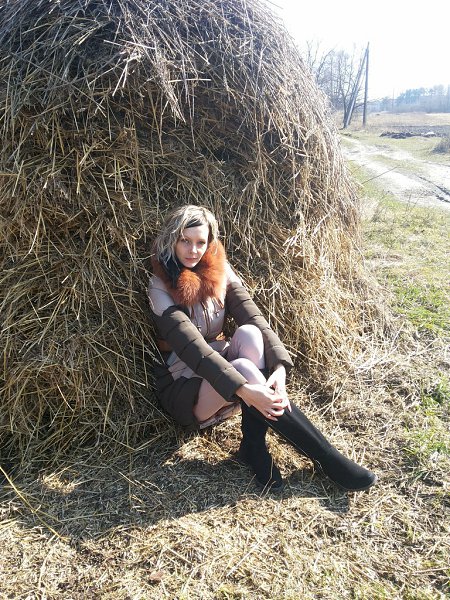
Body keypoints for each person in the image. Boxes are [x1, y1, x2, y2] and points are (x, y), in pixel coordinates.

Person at [148, 205, 376, 492]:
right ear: (172, 238)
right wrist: (244, 389)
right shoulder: (159, 285)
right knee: (243, 368)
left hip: (222, 369)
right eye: (185, 241)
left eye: (200, 242)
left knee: (250, 334)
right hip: (185, 384)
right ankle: (326, 458)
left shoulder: (219, 270)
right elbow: (192, 349)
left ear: (210, 243)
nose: (193, 250)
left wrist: (279, 366)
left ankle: (252, 445)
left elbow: (252, 316)